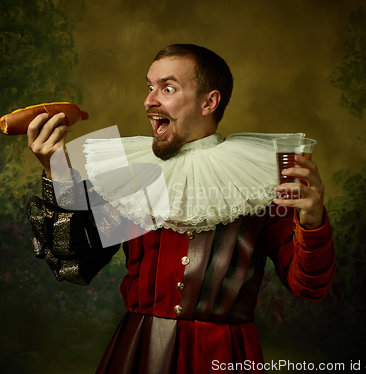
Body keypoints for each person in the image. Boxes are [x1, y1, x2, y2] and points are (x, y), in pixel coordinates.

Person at [26, 44, 335, 374]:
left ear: (209, 102)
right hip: (139, 354)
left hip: (225, 358)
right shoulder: (134, 174)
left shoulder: (261, 176)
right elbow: (75, 266)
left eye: (167, 88)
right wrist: (56, 172)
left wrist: (312, 217)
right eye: (150, 87)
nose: (149, 100)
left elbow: (309, 286)